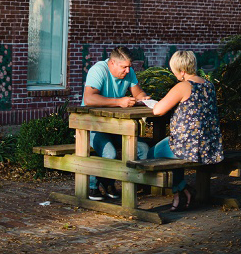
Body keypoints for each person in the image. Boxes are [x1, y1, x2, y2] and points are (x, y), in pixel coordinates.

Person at [151, 50, 224, 211]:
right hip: (209, 146)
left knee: (154, 152)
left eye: (175, 70)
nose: (174, 73)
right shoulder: (208, 85)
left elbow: (157, 111)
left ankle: (180, 190)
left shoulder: (183, 86)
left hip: (188, 146)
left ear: (182, 71)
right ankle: (182, 191)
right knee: (173, 155)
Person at [82, 46, 151, 201]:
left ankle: (114, 183)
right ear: (112, 63)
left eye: (129, 67)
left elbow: (138, 92)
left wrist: (143, 98)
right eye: (124, 67)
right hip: (93, 125)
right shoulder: (98, 70)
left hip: (116, 126)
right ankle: (93, 186)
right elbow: (89, 99)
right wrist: (119, 102)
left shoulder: (129, 72)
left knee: (143, 149)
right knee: (110, 154)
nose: (127, 71)